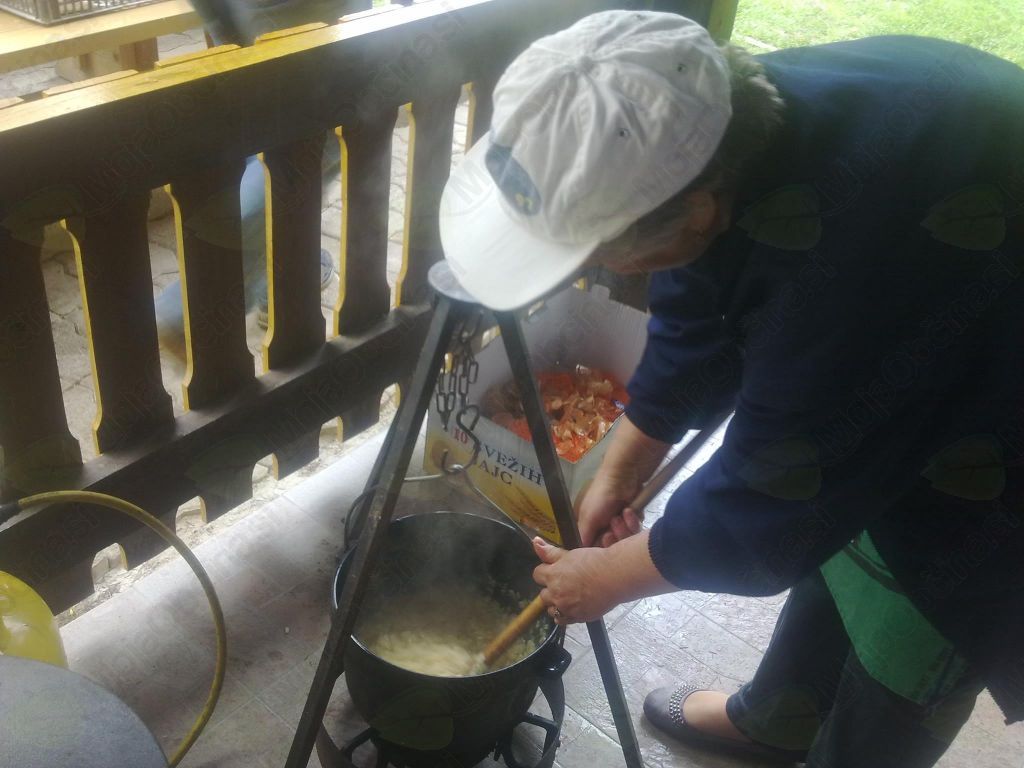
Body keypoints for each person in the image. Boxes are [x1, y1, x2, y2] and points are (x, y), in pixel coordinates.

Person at [438, 10, 1023, 767]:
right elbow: (697, 287)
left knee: (919, 614)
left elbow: (782, 489)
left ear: (697, 208)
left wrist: (612, 577)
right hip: (909, 315)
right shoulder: (706, 138)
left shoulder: (845, 279)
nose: (605, 269)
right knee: (845, 538)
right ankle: (780, 716)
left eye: (602, 253)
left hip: (993, 399)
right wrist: (627, 456)